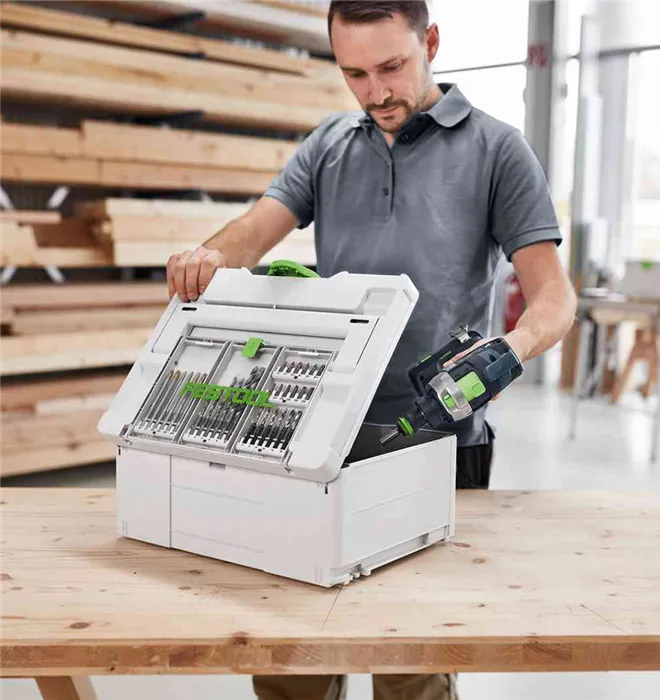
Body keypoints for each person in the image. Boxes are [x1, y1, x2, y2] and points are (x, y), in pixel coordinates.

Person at [167, 1, 577, 697]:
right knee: (292, 655)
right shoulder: (329, 144)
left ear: (432, 42)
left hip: (438, 443)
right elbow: (253, 233)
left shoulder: (498, 150)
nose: (376, 92)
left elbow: (554, 296)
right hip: (319, 436)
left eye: (392, 66)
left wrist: (509, 349)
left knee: (411, 660)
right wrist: (206, 257)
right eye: (354, 73)